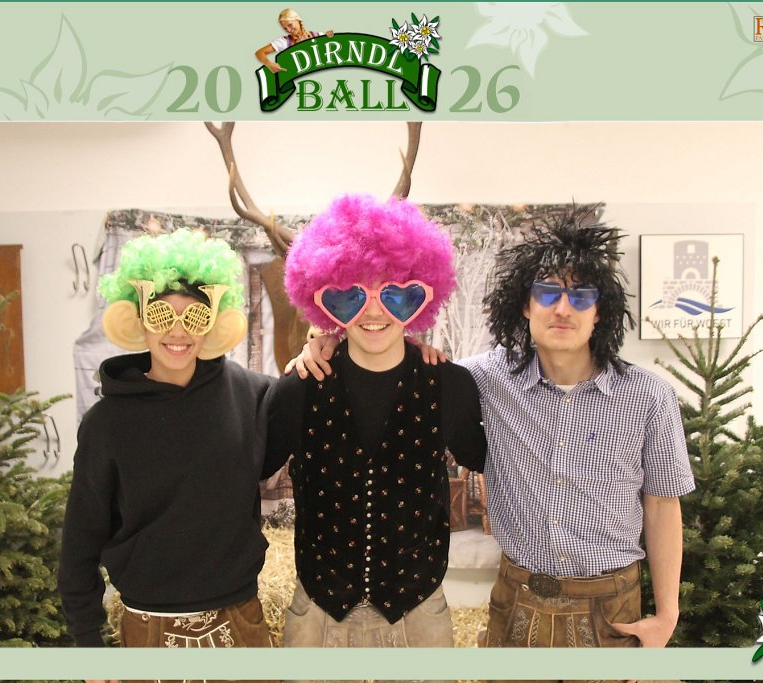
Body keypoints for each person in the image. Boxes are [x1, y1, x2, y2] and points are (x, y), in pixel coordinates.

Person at [293, 211, 694, 677]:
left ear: (600, 310)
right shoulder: (485, 377)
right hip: (517, 601)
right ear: (525, 305)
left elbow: (663, 505)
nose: (563, 309)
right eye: (548, 292)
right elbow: (397, 356)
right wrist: (325, 339)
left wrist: (667, 616)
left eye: (581, 295)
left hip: (610, 606)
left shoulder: (649, 396)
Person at [264, 193, 487, 656]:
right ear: (324, 302)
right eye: (350, 295)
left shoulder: (450, 386)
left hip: (418, 614)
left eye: (394, 293)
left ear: (421, 298)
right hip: (318, 615)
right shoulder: (297, 390)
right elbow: (246, 472)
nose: (372, 311)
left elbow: (490, 457)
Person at [58, 229, 276, 661]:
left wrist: (318, 348)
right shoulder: (106, 423)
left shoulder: (250, 394)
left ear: (213, 321)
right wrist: (87, 641)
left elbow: (312, 398)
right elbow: (81, 539)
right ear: (139, 319)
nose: (177, 331)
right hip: (149, 627)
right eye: (161, 315)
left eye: (194, 317)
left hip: (240, 619)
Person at [255, 8, 333, 73]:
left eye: (290, 25)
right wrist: (269, 64)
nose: (288, 30)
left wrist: (331, 36)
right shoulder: (283, 42)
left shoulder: (318, 35)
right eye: (285, 28)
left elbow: (331, 49)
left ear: (298, 20)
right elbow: (259, 53)